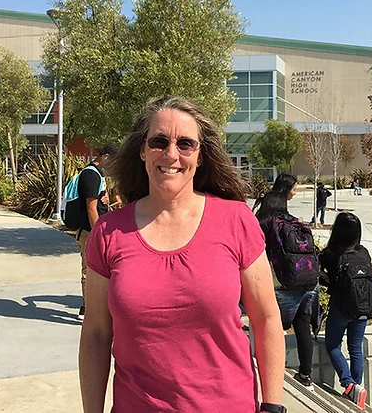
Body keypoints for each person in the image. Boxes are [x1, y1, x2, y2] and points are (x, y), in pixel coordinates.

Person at [81, 96, 285, 412]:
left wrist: (273, 407)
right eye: (159, 142)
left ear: (201, 155)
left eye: (185, 144)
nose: (171, 154)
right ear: (142, 149)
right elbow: (95, 333)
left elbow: (267, 318)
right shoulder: (108, 233)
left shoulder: (236, 220)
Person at [256, 191, 320, 392]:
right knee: (303, 329)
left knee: (273, 329)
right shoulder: (295, 223)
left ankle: (272, 376)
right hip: (308, 282)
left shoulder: (265, 224)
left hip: (283, 285)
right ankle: (305, 376)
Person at [319, 212, 372, 409]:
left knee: (333, 345)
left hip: (341, 306)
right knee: (355, 347)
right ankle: (357, 388)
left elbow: (323, 274)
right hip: (362, 306)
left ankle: (349, 384)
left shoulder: (331, 253)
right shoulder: (364, 252)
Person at [75, 142, 120, 319]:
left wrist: (106, 198)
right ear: (106, 157)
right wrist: (98, 234)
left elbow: (98, 201)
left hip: (94, 229)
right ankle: (87, 309)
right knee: (89, 269)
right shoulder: (90, 175)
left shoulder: (98, 175)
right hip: (89, 231)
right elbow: (91, 208)